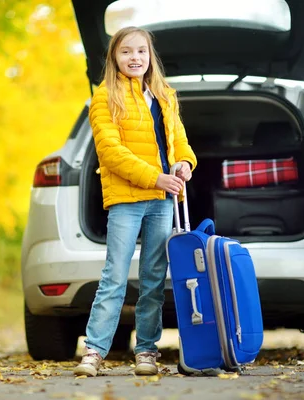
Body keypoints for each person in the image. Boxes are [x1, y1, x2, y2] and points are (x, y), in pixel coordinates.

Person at [73, 26, 197, 377]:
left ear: (150, 56)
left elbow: (180, 142)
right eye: (126, 51)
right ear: (114, 57)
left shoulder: (164, 95)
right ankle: (94, 352)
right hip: (128, 197)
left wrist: (184, 164)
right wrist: (155, 176)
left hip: (163, 198)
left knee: (155, 278)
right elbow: (110, 153)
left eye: (141, 51)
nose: (135, 58)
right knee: (114, 276)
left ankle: (146, 351)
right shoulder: (104, 96)